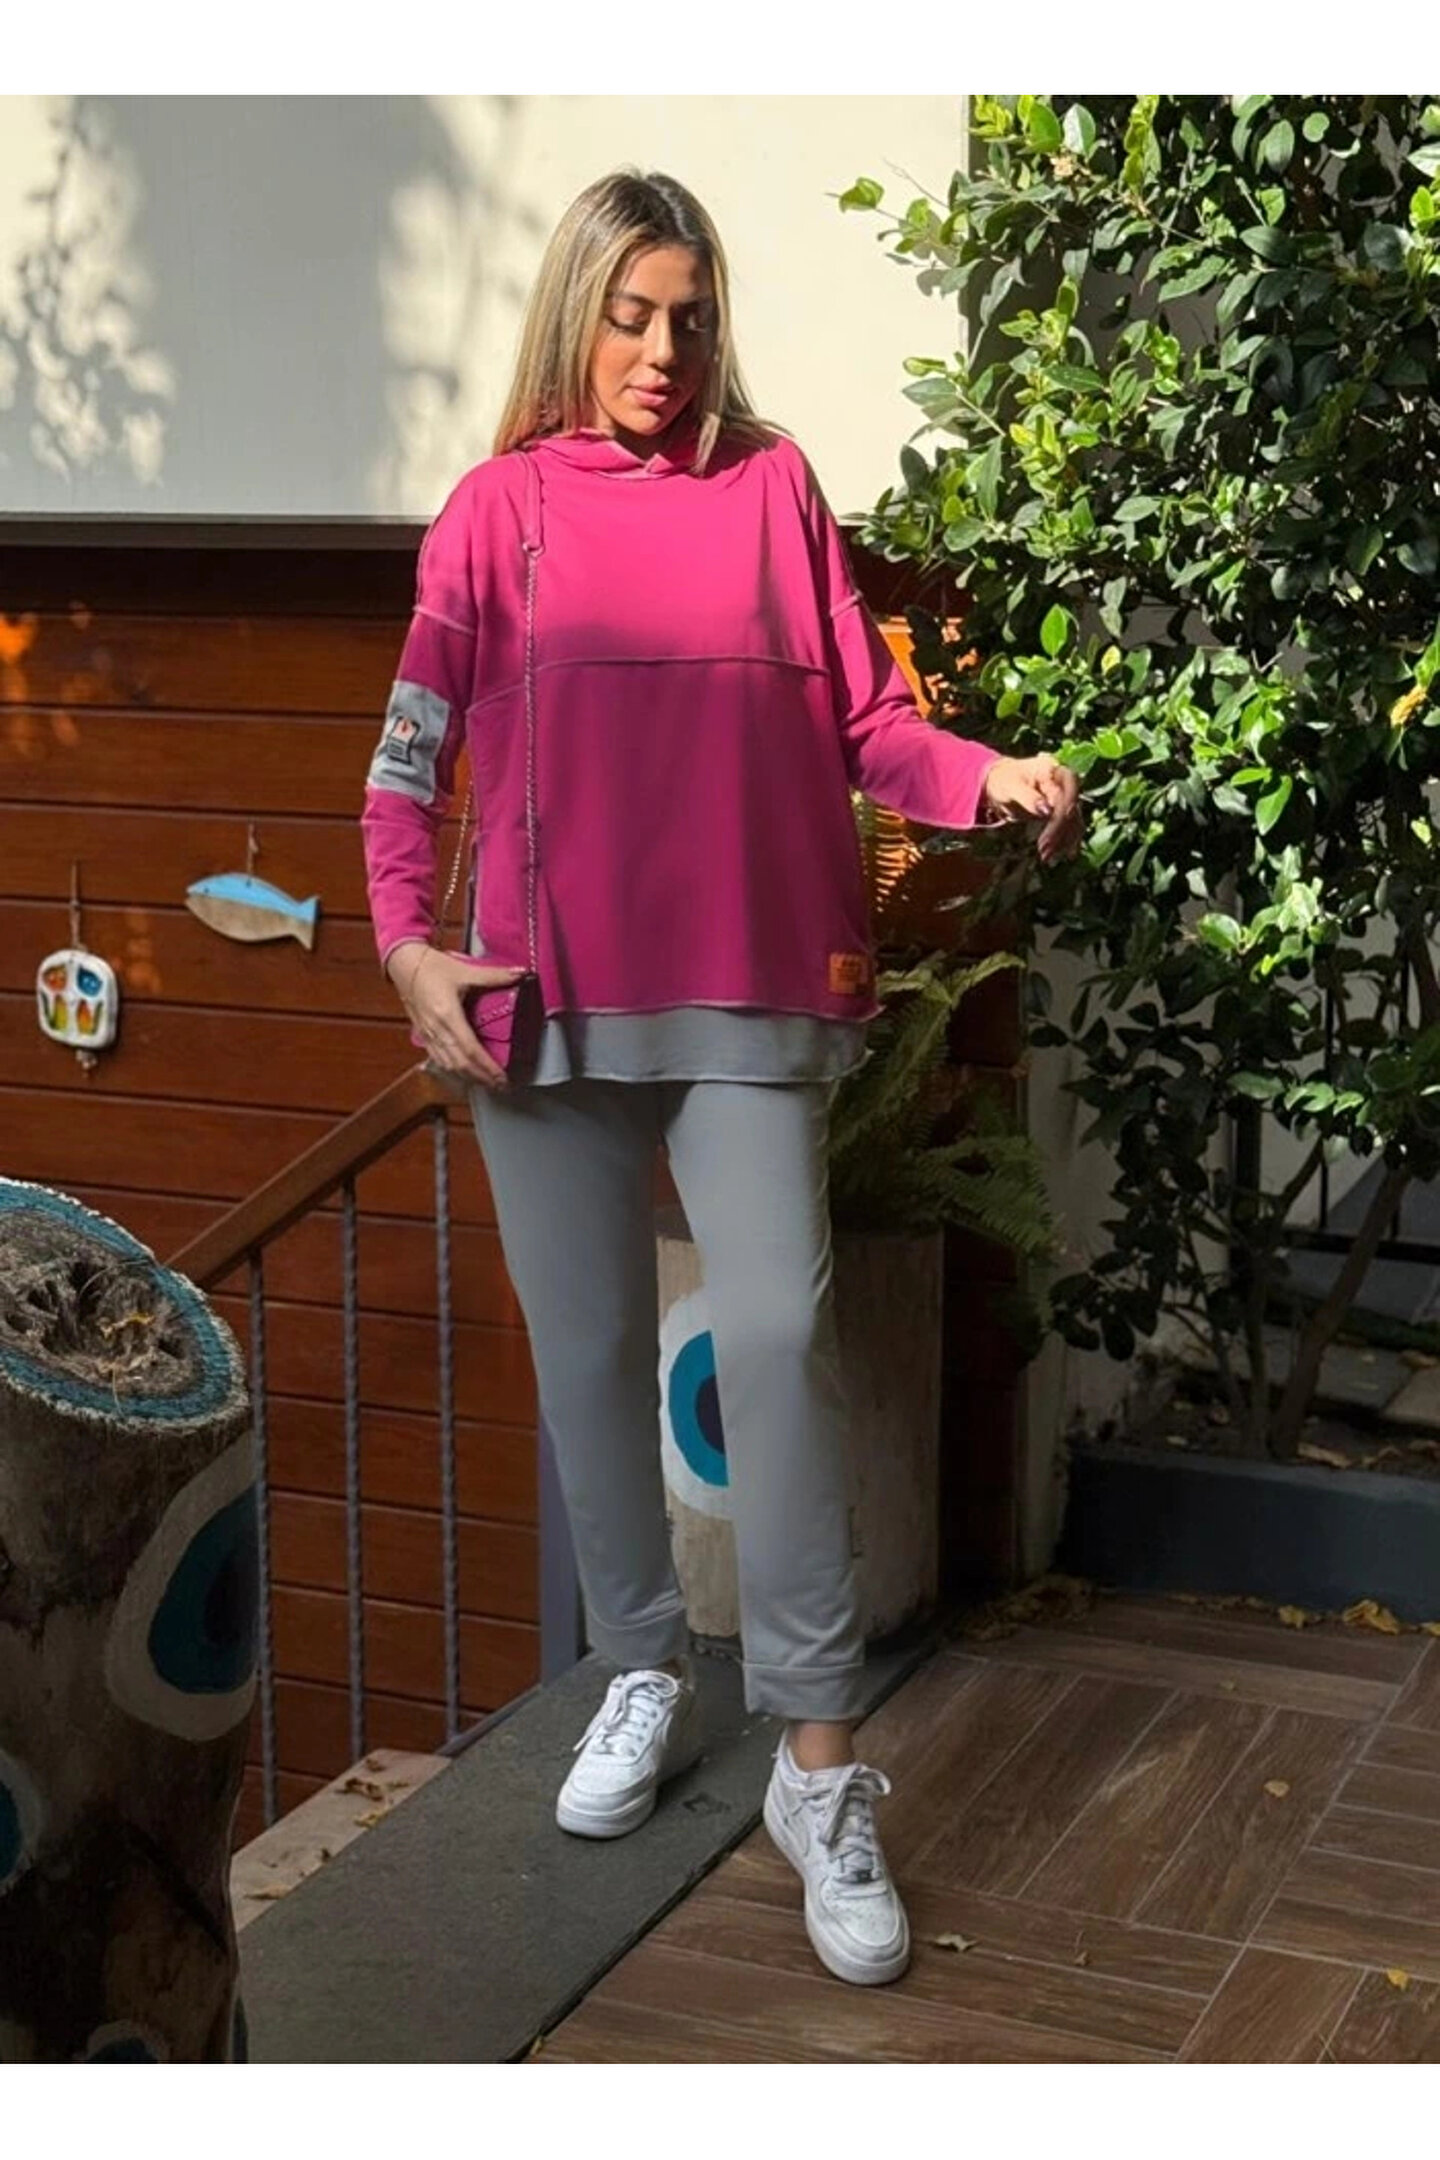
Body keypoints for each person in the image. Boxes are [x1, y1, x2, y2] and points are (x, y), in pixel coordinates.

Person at [361, 169, 1081, 1990]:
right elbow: (407, 765)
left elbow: (871, 724)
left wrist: (981, 774)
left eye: (689, 316)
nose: (663, 350)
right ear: (576, 314)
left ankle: (818, 1769)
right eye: (630, 315)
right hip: (542, 1001)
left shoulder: (773, 490)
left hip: (752, 991)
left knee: (772, 1335)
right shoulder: (494, 515)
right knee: (592, 1354)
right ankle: (639, 1672)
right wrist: (408, 947)